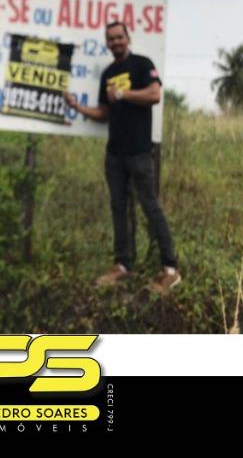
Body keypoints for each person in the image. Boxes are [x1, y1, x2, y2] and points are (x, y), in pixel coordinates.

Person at [64, 21, 181, 293]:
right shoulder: (108, 73)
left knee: (150, 207)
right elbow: (104, 112)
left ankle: (170, 268)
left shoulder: (142, 64)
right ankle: (122, 265)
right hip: (114, 153)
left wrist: (123, 93)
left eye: (120, 37)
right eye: (111, 39)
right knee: (118, 208)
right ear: (107, 43)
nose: (116, 42)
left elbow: (154, 94)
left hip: (140, 152)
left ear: (128, 39)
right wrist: (78, 107)